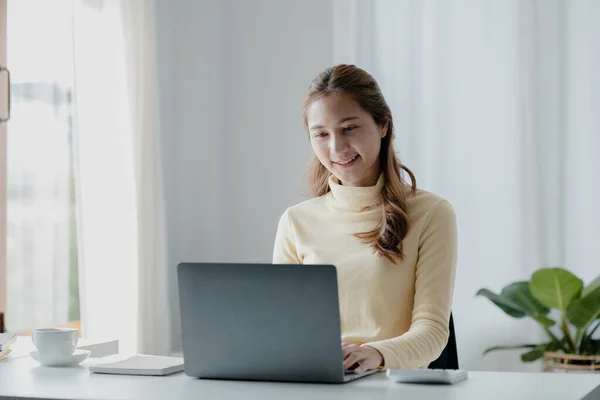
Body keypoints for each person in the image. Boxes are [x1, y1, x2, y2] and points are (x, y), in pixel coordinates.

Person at [272, 64, 458, 374]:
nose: (337, 148)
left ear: (383, 125)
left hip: (395, 387)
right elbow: (283, 328)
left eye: (349, 128)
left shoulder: (432, 214)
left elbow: (433, 331)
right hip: (319, 385)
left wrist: (375, 353)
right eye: (321, 134)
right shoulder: (295, 222)